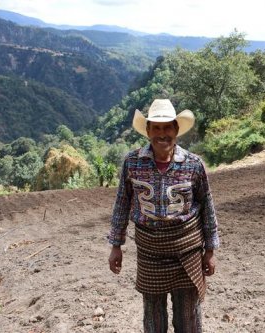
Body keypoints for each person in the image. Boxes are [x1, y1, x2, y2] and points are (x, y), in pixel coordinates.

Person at [107, 99, 219, 333]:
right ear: (147, 131)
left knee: (189, 318)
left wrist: (210, 250)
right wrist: (116, 245)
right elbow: (122, 204)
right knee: (154, 318)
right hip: (150, 252)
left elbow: (207, 205)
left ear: (176, 130)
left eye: (167, 127)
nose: (162, 134)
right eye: (156, 128)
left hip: (187, 251)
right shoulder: (132, 163)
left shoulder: (193, 164)